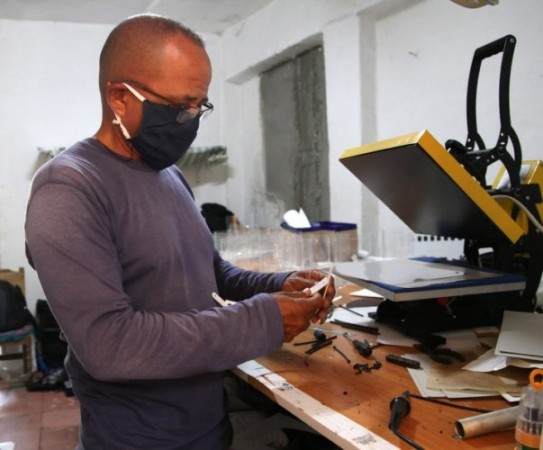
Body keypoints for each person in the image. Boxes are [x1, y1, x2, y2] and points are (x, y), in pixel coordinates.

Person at [24, 13, 335, 450]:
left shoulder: (169, 174)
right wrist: (265, 317)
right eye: (179, 107)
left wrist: (280, 285)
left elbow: (210, 274)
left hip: (207, 422)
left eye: (199, 106)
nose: (190, 120)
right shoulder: (70, 188)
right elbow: (109, 344)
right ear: (119, 97)